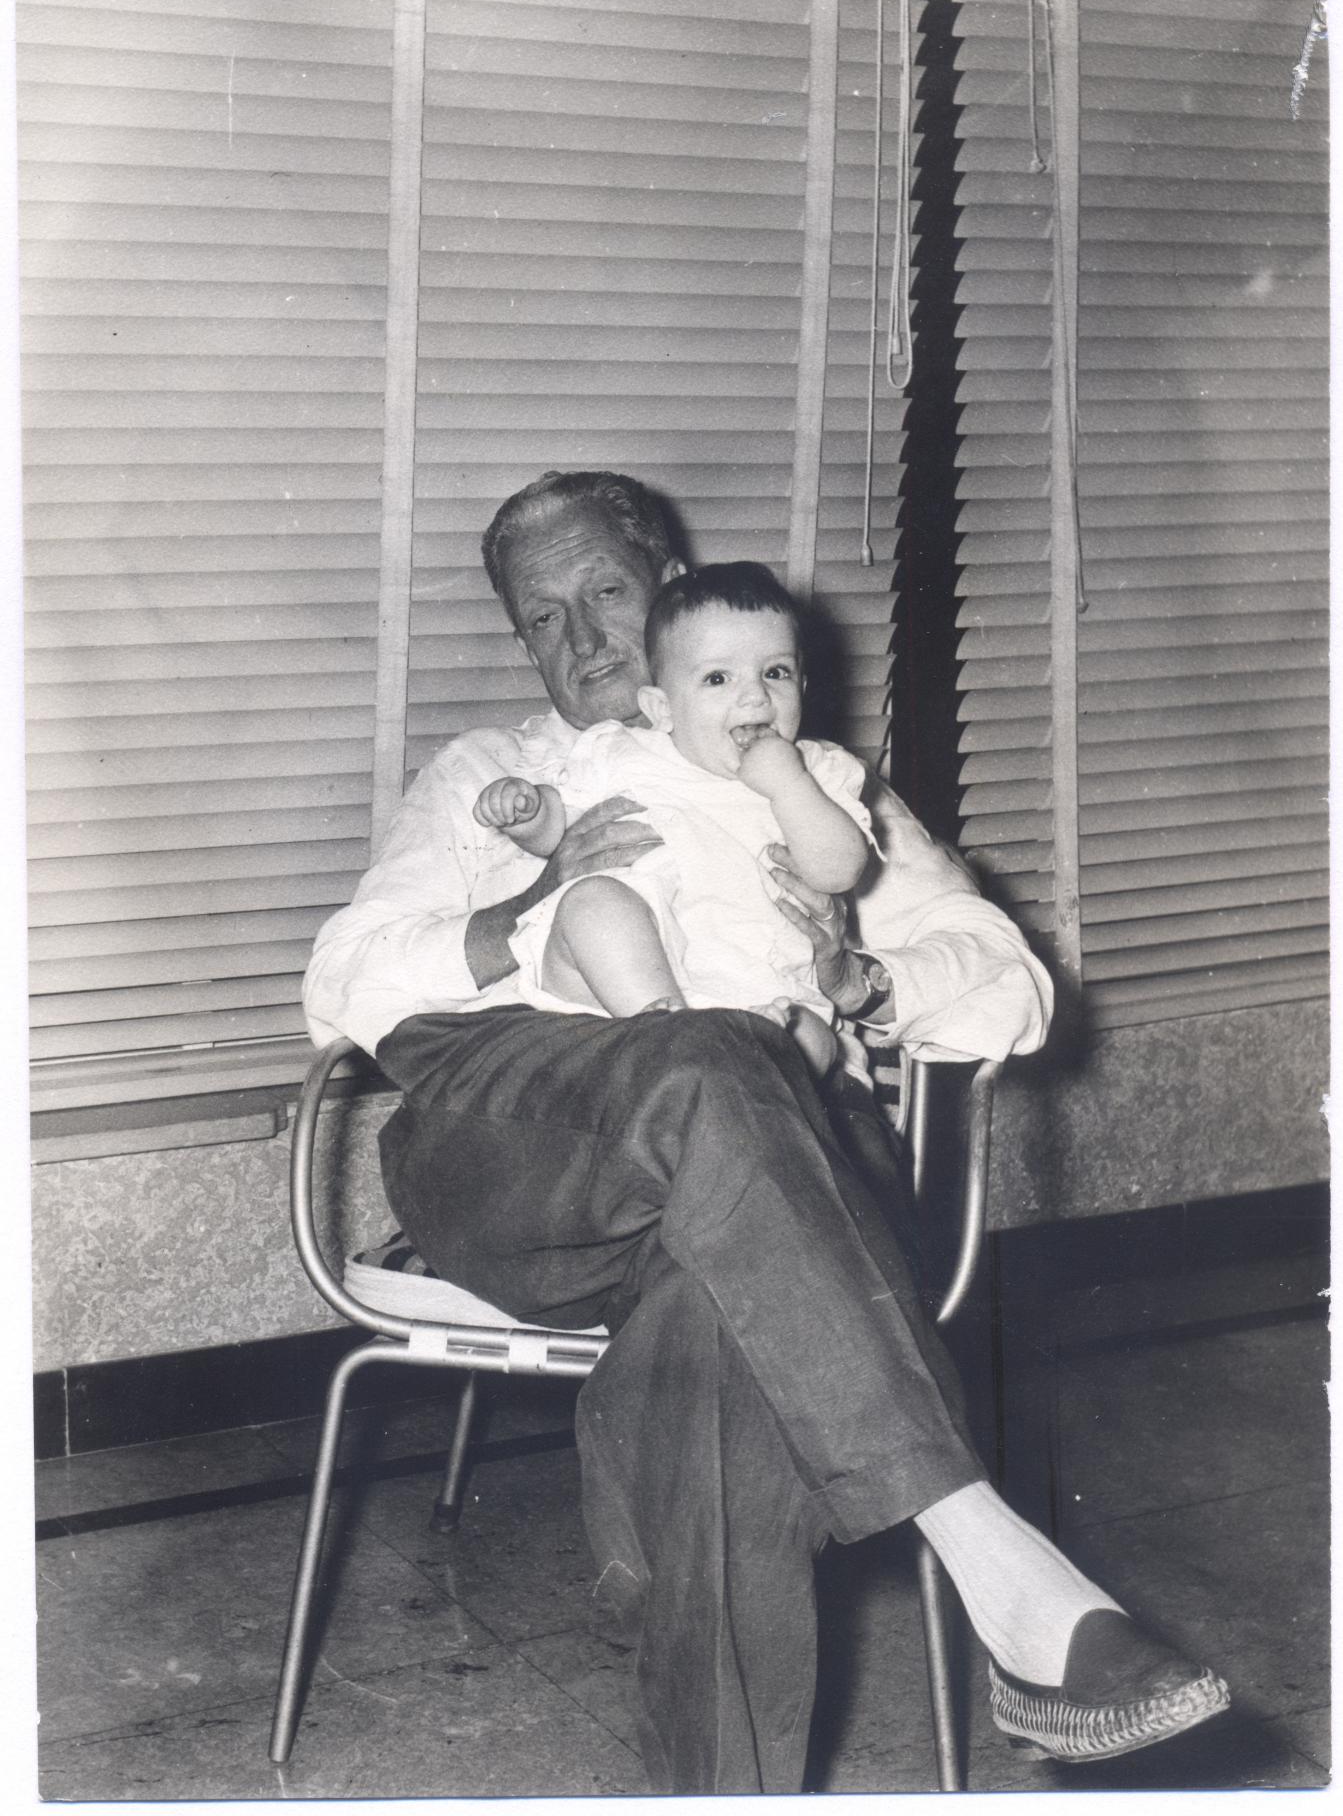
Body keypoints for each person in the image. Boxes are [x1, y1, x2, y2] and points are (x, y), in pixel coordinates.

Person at [303, 468, 1228, 1792]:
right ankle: (999, 1566)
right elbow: (338, 981)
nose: (580, 637)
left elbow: (1005, 982)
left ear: (671, 586)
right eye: (540, 618)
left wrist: (866, 981)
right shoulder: (500, 774)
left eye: (603, 591)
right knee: (715, 1066)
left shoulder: (799, 785)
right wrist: (521, 907)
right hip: (519, 1135)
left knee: (722, 1329)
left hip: (759, 1170)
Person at [474, 561, 874, 1077]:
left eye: (775, 672)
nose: (755, 695)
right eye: (717, 678)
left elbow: (838, 871)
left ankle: (716, 1055)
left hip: (760, 994)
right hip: (623, 993)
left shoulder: (820, 772)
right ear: (661, 709)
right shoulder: (624, 753)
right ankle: (668, 1034)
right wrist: (527, 813)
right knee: (592, 902)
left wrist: (789, 784)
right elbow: (558, 829)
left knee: (811, 1039)